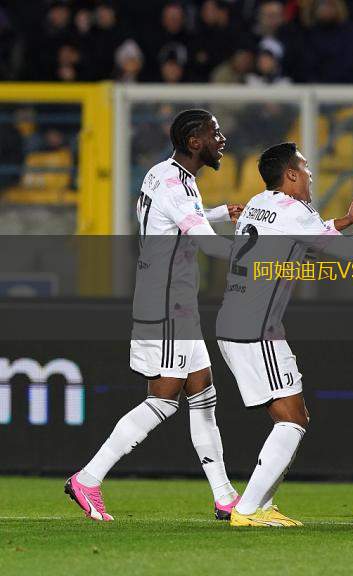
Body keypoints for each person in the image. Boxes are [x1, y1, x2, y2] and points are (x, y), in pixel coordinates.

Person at [216, 142, 353, 527]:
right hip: (254, 327)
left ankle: (261, 505)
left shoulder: (258, 203)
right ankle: (247, 510)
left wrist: (346, 220)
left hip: (238, 321)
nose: (311, 174)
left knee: (292, 417)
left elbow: (306, 238)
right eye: (305, 167)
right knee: (292, 420)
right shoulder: (294, 212)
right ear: (291, 175)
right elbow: (350, 254)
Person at [65, 110, 243, 522]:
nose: (221, 140)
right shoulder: (176, 185)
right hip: (165, 305)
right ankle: (87, 479)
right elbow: (209, 245)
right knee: (163, 400)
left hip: (173, 301)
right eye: (215, 133)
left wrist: (218, 213)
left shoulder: (164, 174)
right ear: (194, 142)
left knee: (203, 394)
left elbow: (172, 220)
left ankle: (224, 496)